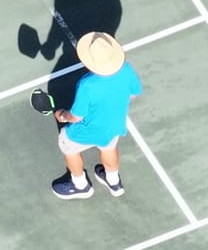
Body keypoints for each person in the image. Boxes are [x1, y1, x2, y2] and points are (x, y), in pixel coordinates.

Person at [51, 31, 142, 200]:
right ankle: (113, 182)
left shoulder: (87, 84)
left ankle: (80, 186)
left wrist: (62, 115)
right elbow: (134, 93)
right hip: (114, 124)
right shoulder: (126, 69)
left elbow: (76, 117)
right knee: (109, 147)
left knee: (67, 146)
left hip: (87, 130)